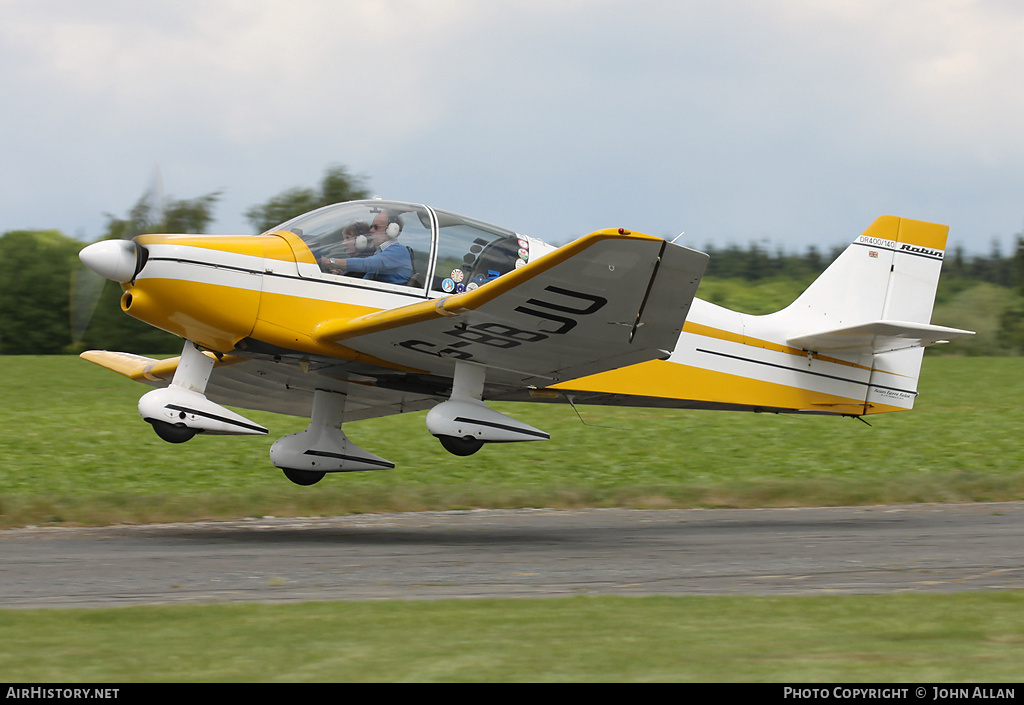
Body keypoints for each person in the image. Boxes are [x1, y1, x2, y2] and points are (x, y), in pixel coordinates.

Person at [322, 210, 413, 284]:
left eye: (376, 227)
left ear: (392, 230)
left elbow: (366, 264)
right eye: (371, 226)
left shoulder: (398, 251)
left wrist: (329, 261)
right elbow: (366, 281)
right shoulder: (381, 252)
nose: (371, 230)